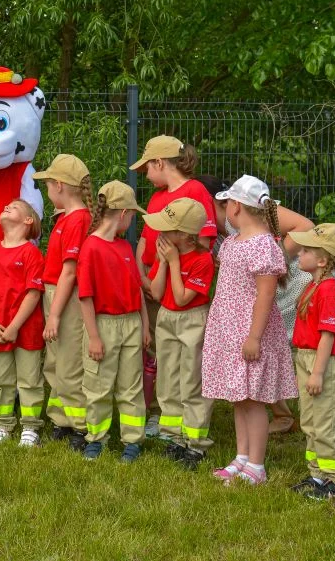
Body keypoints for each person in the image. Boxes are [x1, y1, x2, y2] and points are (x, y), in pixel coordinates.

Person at [201, 175, 335, 468]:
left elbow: (303, 227)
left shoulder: (257, 227)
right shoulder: (235, 235)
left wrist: (273, 261)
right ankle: (268, 431)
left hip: (305, 273)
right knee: (254, 379)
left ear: (230, 204)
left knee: (326, 346)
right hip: (264, 290)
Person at [203, 175, 298, 485]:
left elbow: (266, 295)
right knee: (239, 396)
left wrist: (254, 337)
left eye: (228, 202)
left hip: (249, 334)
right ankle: (242, 456)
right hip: (229, 332)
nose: (225, 207)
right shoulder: (232, 242)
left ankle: (256, 465)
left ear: (237, 207)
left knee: (253, 399)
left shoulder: (263, 246)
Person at [129, 135, 217, 435]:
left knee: (186, 363)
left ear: (159, 163)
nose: (145, 176)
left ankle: (186, 425)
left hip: (181, 293)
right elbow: (146, 239)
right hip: (157, 289)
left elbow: (202, 243)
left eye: (147, 169)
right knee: (161, 356)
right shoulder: (157, 197)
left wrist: (167, 264)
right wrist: (143, 272)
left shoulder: (195, 191)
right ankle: (164, 416)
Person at [77, 181, 151, 463]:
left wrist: (144, 324)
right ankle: (96, 439)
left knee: (131, 386)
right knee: (98, 385)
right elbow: (85, 297)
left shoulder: (124, 247)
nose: (131, 221)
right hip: (103, 325)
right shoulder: (91, 248)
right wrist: (94, 337)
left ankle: (132, 441)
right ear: (122, 214)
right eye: (132, 215)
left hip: (130, 323)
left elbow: (136, 289)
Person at [145, 198, 215, 470]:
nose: (160, 234)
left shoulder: (202, 260)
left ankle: (195, 444)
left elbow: (184, 297)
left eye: (167, 229)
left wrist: (174, 263)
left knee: (191, 380)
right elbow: (158, 292)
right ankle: (174, 438)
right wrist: (163, 263)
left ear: (185, 235)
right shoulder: (168, 254)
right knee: (169, 379)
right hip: (167, 318)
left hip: (191, 321)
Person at [287, 223, 335, 500]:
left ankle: (334, 482)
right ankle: (317, 474)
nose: (299, 254)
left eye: (305, 251)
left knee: (326, 423)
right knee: (311, 421)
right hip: (307, 359)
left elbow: (327, 336)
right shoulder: (313, 286)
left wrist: (316, 373)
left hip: (322, 363)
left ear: (323, 260)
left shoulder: (328, 290)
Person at [32, 154, 94, 449]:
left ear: (59, 185)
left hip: (65, 298)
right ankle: (61, 419)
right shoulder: (65, 218)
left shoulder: (78, 220)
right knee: (56, 361)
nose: (47, 191)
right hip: (54, 293)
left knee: (69, 364)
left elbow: (70, 272)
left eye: (48, 185)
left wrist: (54, 315)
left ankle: (80, 426)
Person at [0, 199, 46, 448]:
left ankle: (30, 428)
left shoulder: (31, 252)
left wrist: (15, 326)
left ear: (28, 220)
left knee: (29, 380)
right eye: (5, 205)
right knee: (1, 380)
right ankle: (3, 425)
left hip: (25, 330)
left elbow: (33, 292)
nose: (6, 206)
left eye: (14, 206)